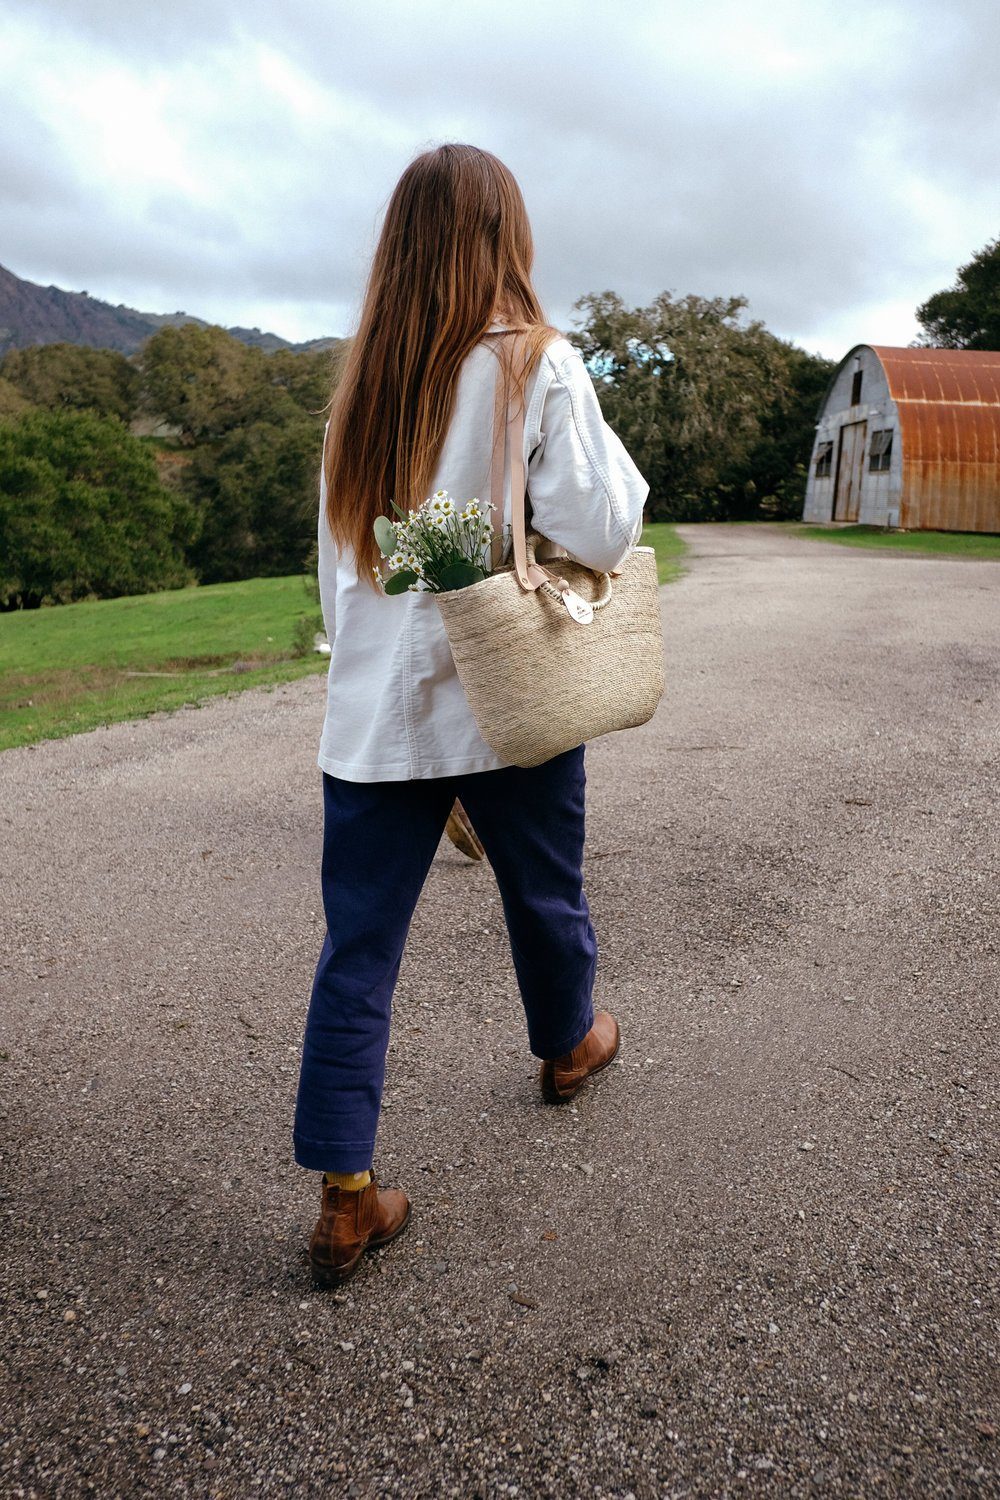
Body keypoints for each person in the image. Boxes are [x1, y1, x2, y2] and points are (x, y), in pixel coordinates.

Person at [294, 143, 650, 1286]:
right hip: (503, 693)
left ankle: (347, 1198)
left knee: (357, 948)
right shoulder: (535, 365)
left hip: (371, 716)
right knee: (543, 889)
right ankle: (567, 1045)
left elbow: (337, 572)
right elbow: (599, 529)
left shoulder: (363, 383)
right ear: (507, 235)